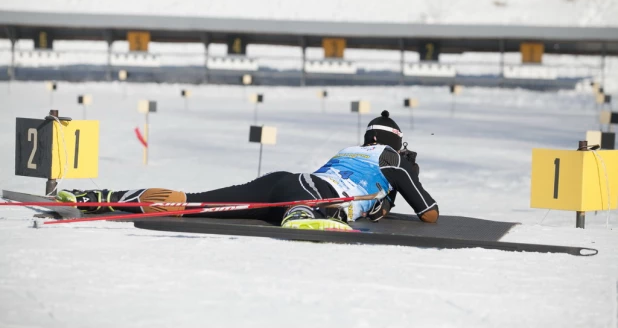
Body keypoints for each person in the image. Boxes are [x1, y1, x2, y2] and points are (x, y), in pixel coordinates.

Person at [57, 110, 439, 230]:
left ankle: (102, 198)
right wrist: (408, 171)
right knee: (307, 209)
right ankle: (302, 215)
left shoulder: (351, 150)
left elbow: (377, 204)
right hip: (308, 193)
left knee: (192, 203)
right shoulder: (391, 162)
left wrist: (383, 203)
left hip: (285, 181)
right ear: (395, 145)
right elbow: (429, 214)